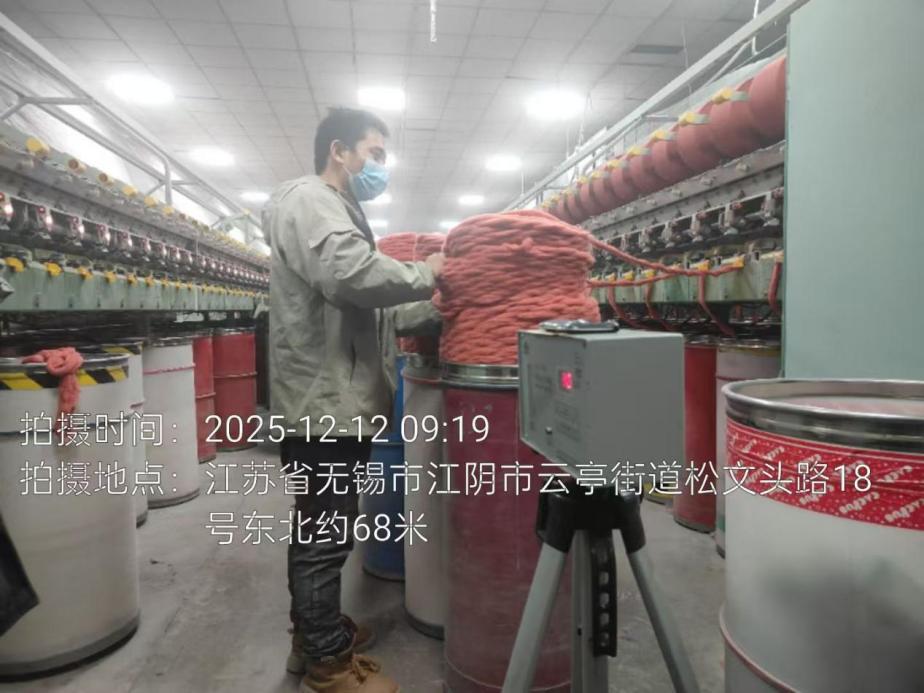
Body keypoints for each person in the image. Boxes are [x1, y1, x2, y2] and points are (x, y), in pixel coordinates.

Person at [264, 107, 443, 693]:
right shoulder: (310, 199)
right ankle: (327, 665)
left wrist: (436, 310)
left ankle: (313, 633)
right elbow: (350, 276)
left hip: (334, 406)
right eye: (374, 153)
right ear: (338, 150)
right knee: (326, 536)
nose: (380, 166)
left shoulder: (338, 209)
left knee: (321, 529)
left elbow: (373, 313)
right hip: (323, 408)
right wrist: (426, 273)